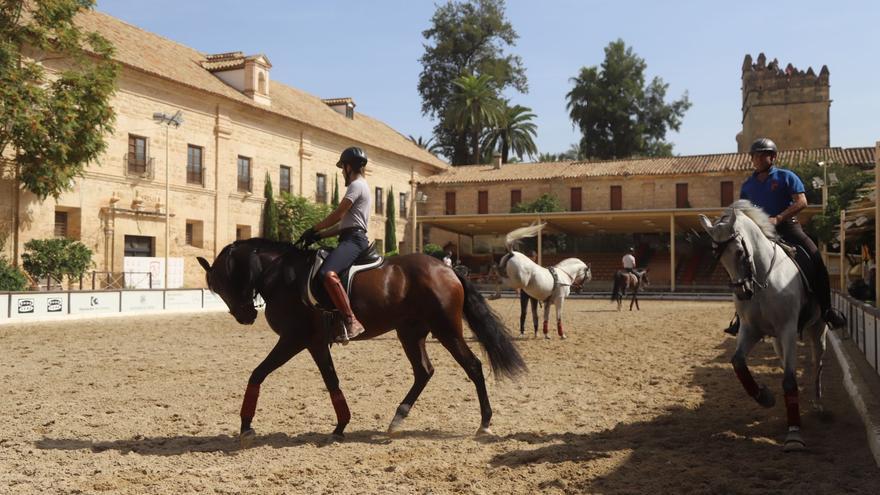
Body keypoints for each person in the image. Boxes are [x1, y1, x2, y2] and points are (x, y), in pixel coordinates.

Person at [725, 137, 846, 335]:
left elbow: (802, 202)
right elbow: (744, 211)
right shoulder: (747, 185)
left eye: (760, 155)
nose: (755, 159)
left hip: (788, 228)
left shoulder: (786, 176)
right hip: (761, 233)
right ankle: (741, 317)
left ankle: (827, 310)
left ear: (772, 157)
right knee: (741, 267)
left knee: (816, 260)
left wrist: (779, 218)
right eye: (754, 155)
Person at [299, 146, 371, 343]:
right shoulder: (361, 185)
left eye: (343, 168)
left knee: (327, 273)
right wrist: (319, 236)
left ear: (349, 167)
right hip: (350, 236)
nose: (342, 172)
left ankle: (351, 320)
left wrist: (313, 229)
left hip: (354, 240)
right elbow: (343, 224)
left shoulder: (356, 185)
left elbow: (338, 214)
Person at [519, 251, 539, 336]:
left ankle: (536, 331)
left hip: (534, 291)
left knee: (534, 311)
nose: (531, 258)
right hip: (524, 291)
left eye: (533, 257)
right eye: (530, 257)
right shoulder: (523, 268)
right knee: (524, 311)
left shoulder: (538, 268)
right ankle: (522, 331)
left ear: (535, 257)